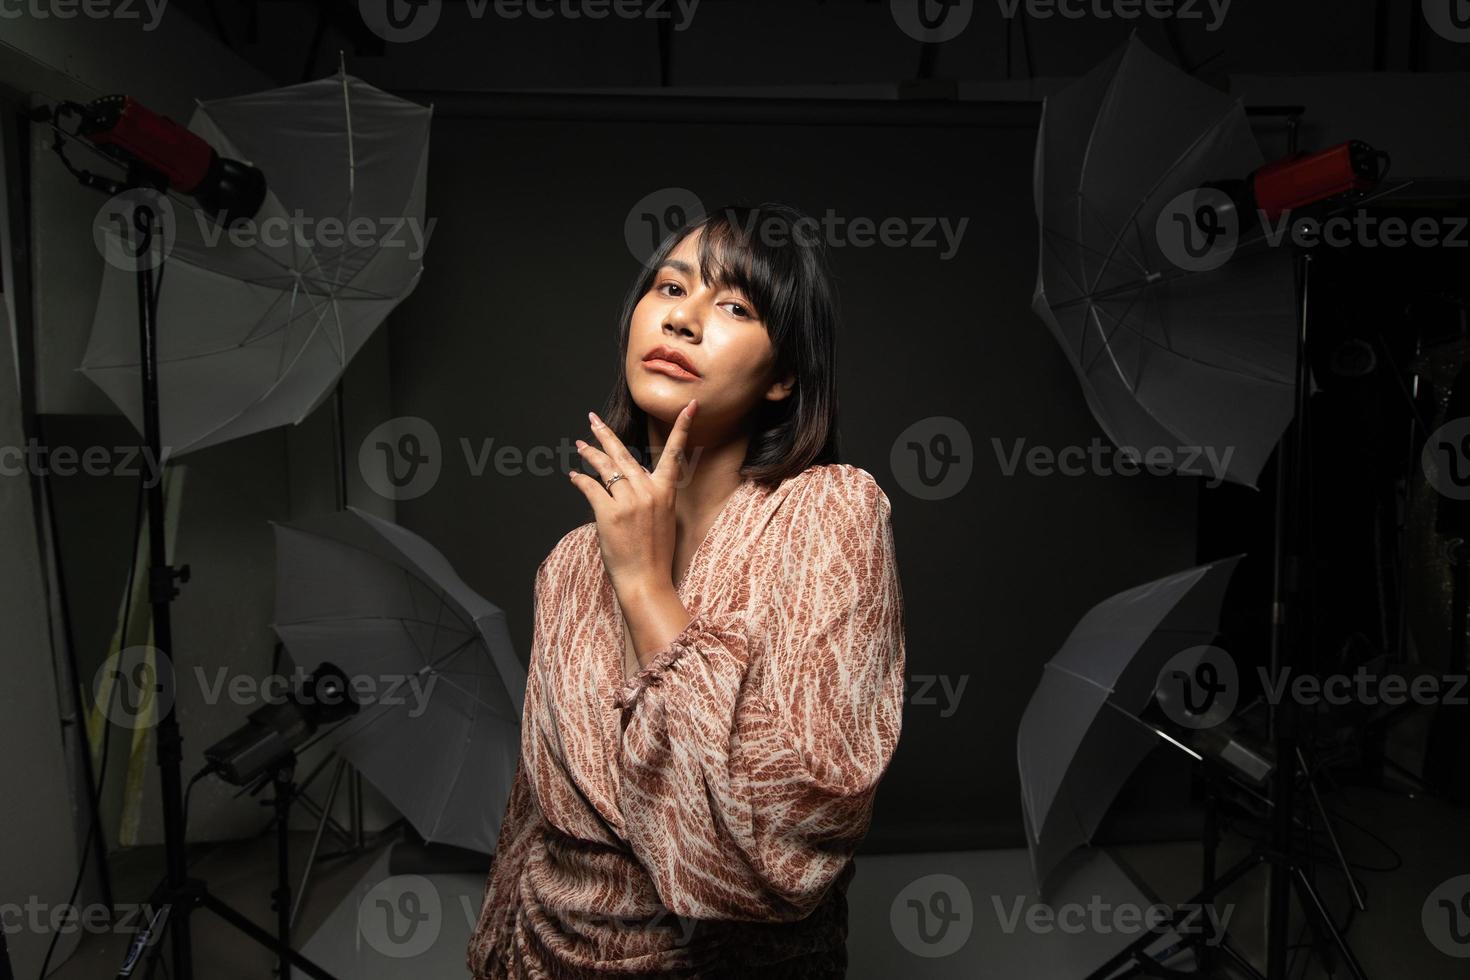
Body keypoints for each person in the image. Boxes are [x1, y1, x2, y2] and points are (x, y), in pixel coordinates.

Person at [467, 202, 906, 978]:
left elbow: (791, 832)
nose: (682, 320)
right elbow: (530, 815)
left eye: (734, 306)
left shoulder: (832, 513)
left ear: (783, 378)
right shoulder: (570, 562)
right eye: (670, 289)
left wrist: (645, 583)